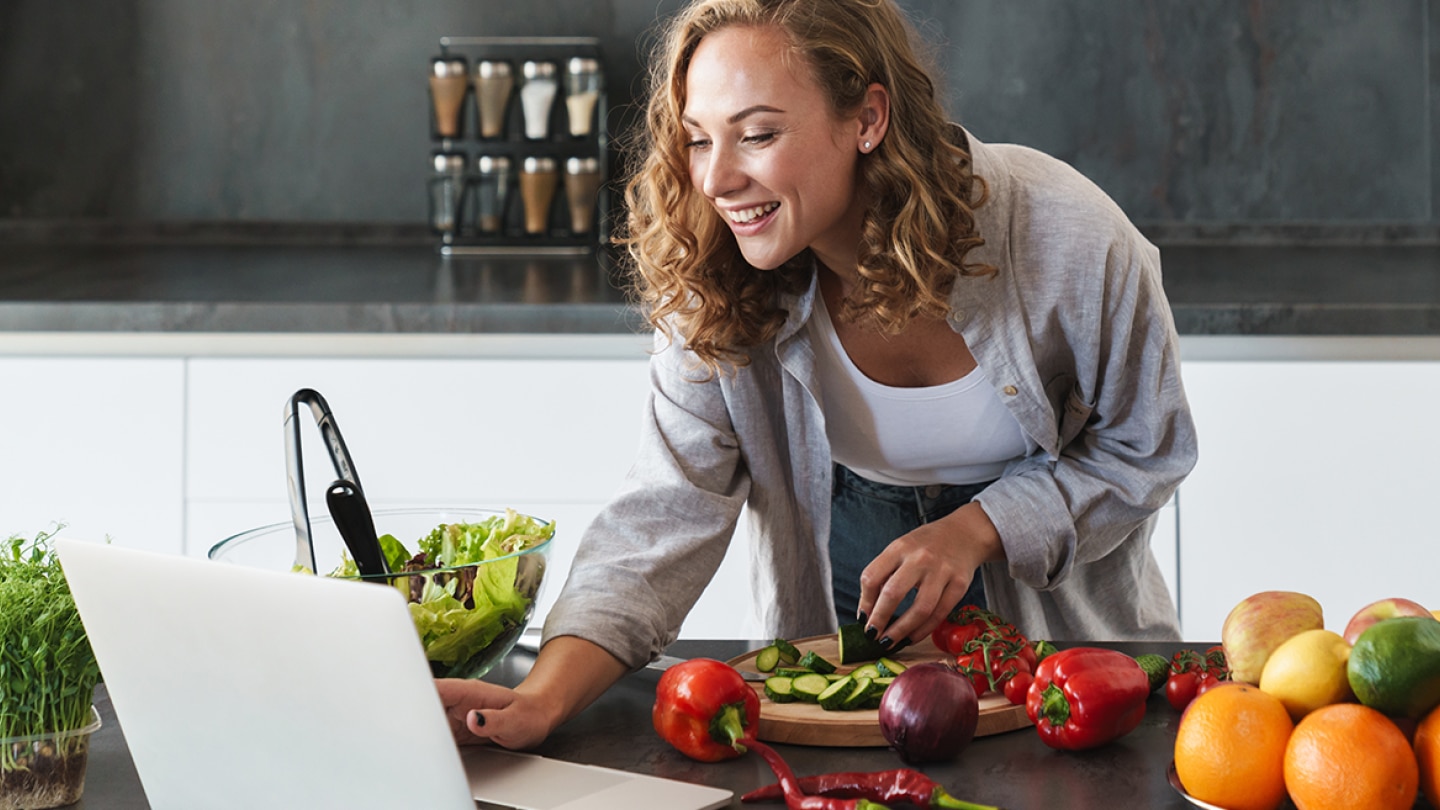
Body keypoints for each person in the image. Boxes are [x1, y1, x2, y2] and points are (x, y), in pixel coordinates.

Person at [438, 0, 1197, 750]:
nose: (716, 179)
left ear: (867, 118)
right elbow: (667, 510)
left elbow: (1145, 449)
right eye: (698, 140)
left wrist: (977, 528)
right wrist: (537, 701)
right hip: (829, 617)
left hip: (1072, 670)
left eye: (757, 135)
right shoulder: (712, 276)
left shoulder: (1068, 237)